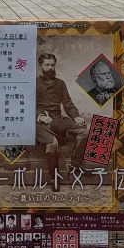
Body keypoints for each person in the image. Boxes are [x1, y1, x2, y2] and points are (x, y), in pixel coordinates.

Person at [36, 52, 87, 182]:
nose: (50, 68)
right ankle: (55, 179)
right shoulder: (33, 84)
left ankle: (74, 166)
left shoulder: (60, 83)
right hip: (40, 122)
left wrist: (76, 117)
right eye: (47, 65)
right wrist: (40, 116)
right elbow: (27, 107)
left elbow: (68, 104)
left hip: (58, 119)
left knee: (84, 131)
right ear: (40, 66)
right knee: (52, 143)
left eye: (52, 65)